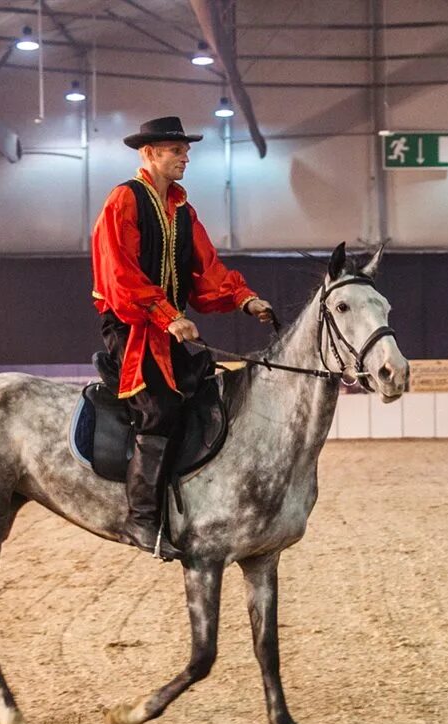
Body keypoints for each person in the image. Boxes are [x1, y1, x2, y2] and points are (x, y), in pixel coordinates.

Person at [91, 116, 273, 560]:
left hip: (167, 326)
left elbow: (207, 270)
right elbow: (120, 275)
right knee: (159, 408)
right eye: (177, 150)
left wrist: (244, 298)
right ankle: (141, 518)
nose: (186, 157)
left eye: (185, 151)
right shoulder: (124, 200)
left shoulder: (182, 211)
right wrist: (168, 315)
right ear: (150, 153)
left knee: (206, 392)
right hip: (133, 327)